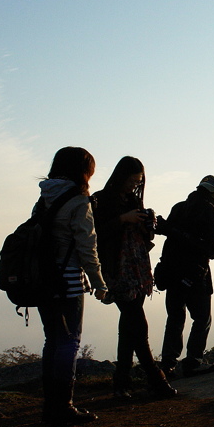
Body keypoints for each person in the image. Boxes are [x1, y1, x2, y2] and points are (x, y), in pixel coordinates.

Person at [92, 156, 178, 400]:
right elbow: (95, 234)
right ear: (121, 176)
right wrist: (122, 219)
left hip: (137, 269)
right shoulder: (102, 199)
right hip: (118, 269)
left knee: (129, 323)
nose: (134, 185)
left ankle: (122, 382)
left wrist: (146, 222)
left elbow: (141, 233)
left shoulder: (132, 199)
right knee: (137, 323)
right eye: (131, 180)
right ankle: (155, 378)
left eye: (138, 181)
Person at [37, 146, 108, 426]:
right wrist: (99, 283)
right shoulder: (79, 201)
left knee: (52, 341)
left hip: (43, 278)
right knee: (69, 343)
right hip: (67, 281)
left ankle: (50, 405)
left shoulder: (44, 196)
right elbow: (87, 247)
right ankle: (63, 407)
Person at [156, 175, 214, 378]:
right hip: (196, 272)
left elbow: (169, 235)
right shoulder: (210, 210)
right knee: (202, 318)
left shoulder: (179, 207)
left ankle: (167, 364)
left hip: (172, 271)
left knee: (175, 317)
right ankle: (193, 362)